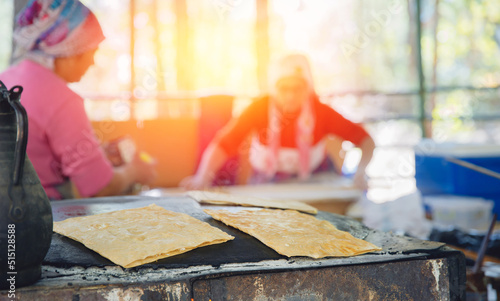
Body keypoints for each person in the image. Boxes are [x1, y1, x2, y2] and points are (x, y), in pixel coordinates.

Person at [0, 0, 156, 200]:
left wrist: (93, 154)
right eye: (90, 52)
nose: (92, 62)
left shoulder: (6, 79)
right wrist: (134, 171)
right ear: (69, 50)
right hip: (38, 216)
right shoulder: (62, 99)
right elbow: (99, 187)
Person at [182, 54, 375, 189]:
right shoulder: (259, 108)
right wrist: (202, 177)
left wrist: (360, 172)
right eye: (284, 89)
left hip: (317, 179)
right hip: (267, 182)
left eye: (297, 88)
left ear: (307, 88)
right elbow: (223, 143)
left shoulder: (321, 111)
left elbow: (366, 141)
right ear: (274, 88)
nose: (290, 96)